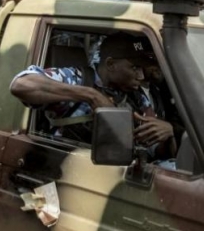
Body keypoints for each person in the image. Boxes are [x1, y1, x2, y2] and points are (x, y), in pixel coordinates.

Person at [10, 33, 175, 159]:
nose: (140, 76)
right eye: (134, 68)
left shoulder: (136, 97)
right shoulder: (77, 78)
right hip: (64, 166)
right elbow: (21, 84)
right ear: (111, 64)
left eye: (142, 69)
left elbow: (153, 152)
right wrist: (91, 95)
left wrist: (167, 132)